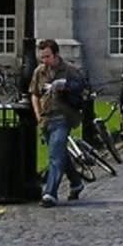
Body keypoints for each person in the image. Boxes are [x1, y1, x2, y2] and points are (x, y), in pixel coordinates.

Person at [28, 38, 82, 208]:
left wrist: (65, 86)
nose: (45, 60)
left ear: (56, 54)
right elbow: (35, 94)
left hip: (63, 117)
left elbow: (81, 87)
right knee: (60, 154)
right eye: (42, 57)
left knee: (55, 156)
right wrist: (38, 115)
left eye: (47, 56)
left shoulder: (69, 70)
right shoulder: (39, 72)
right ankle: (76, 182)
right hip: (46, 118)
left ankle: (50, 193)